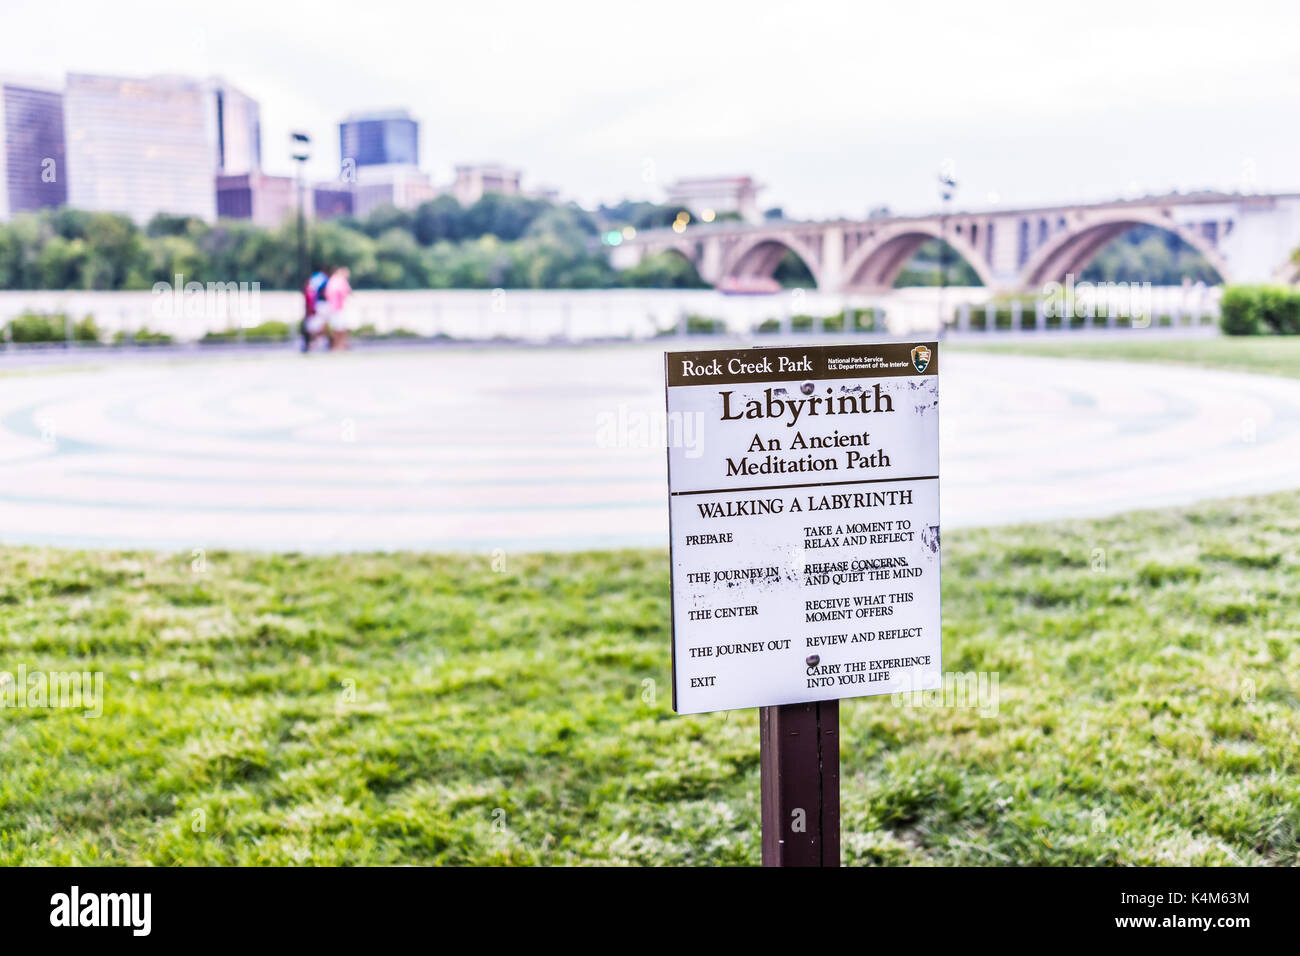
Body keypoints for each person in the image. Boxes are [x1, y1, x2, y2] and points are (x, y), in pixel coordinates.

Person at [323, 266, 353, 350]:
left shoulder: (333, 281)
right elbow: (348, 292)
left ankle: (339, 345)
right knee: (339, 328)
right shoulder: (340, 281)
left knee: (339, 327)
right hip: (338, 308)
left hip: (335, 307)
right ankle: (338, 345)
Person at [302, 267, 330, 352]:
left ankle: (312, 344)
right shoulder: (310, 291)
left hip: (312, 312)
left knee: (316, 328)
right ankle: (311, 344)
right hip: (312, 312)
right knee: (314, 329)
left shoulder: (311, 290)